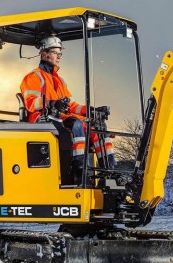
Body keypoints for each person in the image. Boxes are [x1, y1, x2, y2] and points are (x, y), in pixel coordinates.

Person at [19, 35, 115, 177]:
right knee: (76, 124)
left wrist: (91, 111)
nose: (59, 57)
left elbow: (71, 106)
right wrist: (51, 103)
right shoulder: (33, 77)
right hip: (42, 119)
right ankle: (80, 169)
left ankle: (109, 171)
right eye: (55, 53)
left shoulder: (59, 80)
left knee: (97, 127)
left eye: (60, 54)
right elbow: (31, 103)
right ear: (44, 53)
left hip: (59, 117)